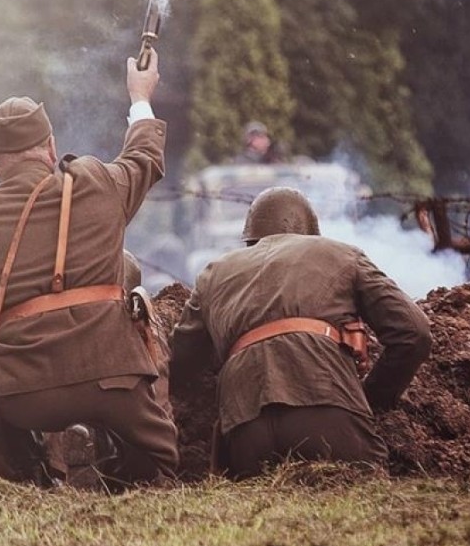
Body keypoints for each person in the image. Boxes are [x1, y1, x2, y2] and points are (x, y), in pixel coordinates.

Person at [0, 51, 179, 488]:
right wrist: (139, 96)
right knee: (161, 460)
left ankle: (26, 472)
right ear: (50, 149)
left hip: (25, 398)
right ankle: (137, 466)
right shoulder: (95, 183)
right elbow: (145, 157)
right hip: (115, 386)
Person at [170, 187, 432, 477]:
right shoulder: (343, 255)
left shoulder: (213, 273)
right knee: (363, 495)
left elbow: (181, 361)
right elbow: (415, 333)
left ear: (250, 238)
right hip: (328, 416)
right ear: (310, 230)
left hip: (246, 430)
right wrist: (373, 399)